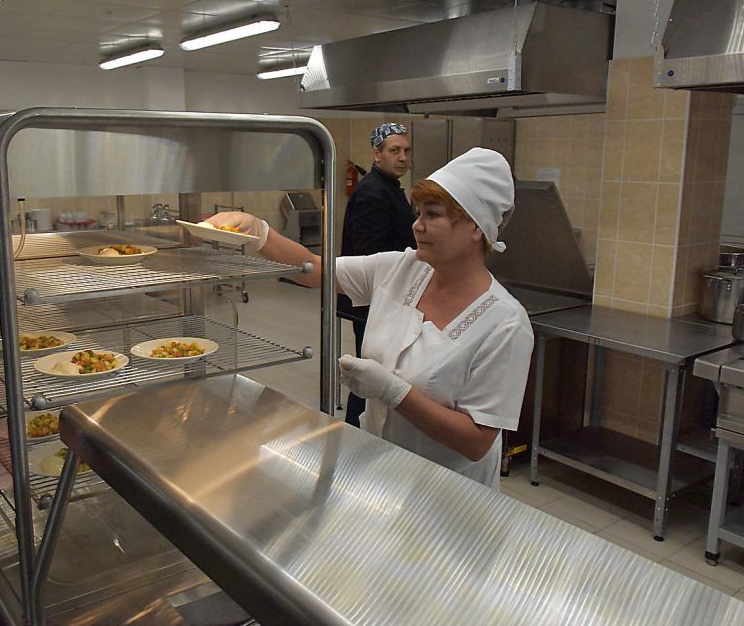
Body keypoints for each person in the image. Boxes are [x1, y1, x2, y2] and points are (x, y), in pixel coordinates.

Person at [205, 148, 533, 490]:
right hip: (381, 468)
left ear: (476, 227)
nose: (417, 225)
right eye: (418, 213)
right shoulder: (403, 269)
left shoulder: (505, 323)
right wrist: (258, 232)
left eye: (433, 215)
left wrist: (394, 392)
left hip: (448, 490)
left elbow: (477, 441)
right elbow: (316, 270)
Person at [339, 122, 417, 428]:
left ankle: (362, 428)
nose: (403, 157)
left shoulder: (389, 188)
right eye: (395, 150)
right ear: (377, 154)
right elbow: (369, 253)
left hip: (383, 297)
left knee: (375, 367)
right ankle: (353, 430)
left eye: (406, 151)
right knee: (370, 368)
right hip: (373, 301)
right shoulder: (373, 193)